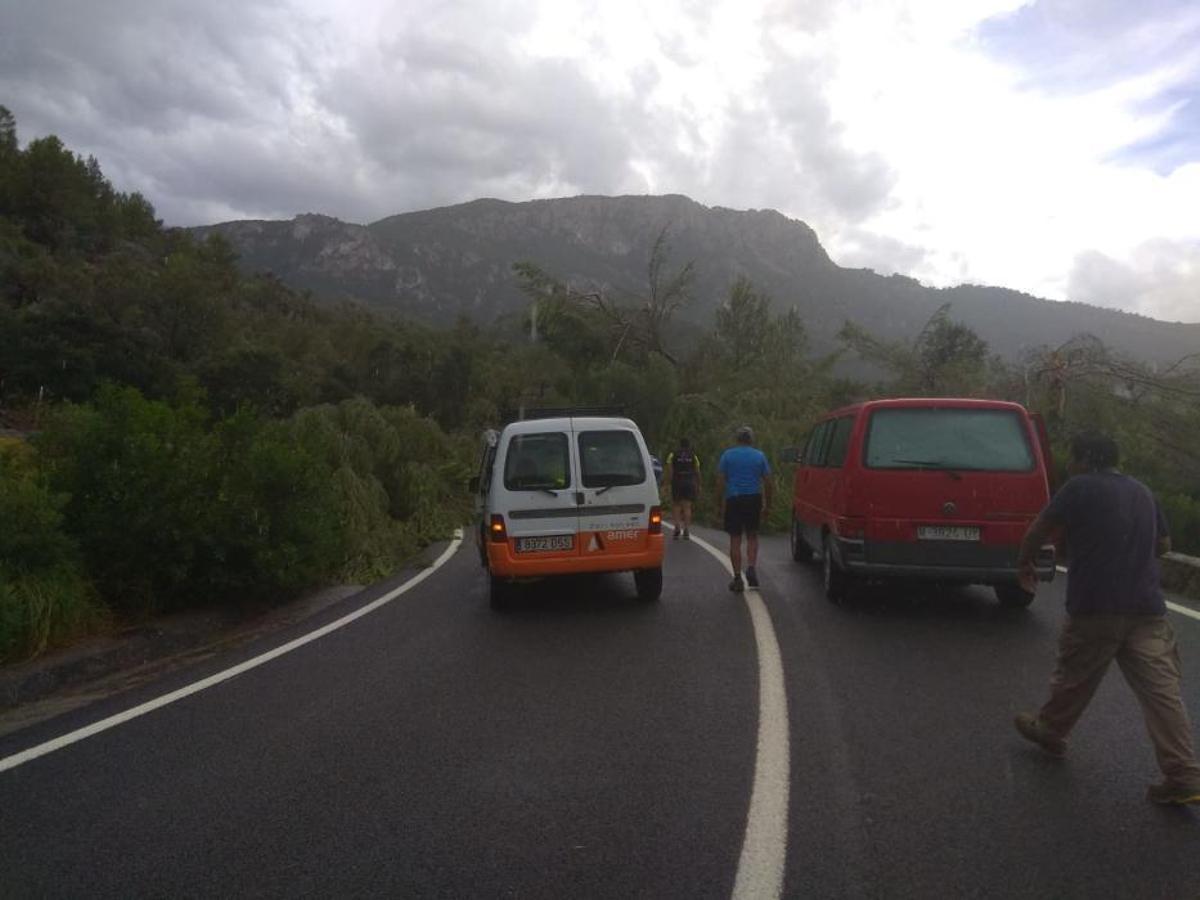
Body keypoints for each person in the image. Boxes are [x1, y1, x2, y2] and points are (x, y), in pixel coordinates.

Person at [1013, 431, 1200, 805]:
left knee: (1075, 675)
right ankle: (1184, 773)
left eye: (1073, 457)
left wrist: (1024, 560)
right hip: (1147, 609)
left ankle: (1051, 729)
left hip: (1096, 605)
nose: (1070, 464)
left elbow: (1040, 528)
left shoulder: (1078, 487)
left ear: (1084, 458)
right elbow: (1163, 545)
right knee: (1161, 692)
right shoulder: (1142, 491)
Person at [716, 425, 772, 592]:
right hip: (753, 498)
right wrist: (768, 504)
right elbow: (768, 482)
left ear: (737, 439)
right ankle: (752, 567)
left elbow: (719, 481)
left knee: (735, 539)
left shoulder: (727, 455)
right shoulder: (759, 456)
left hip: (734, 498)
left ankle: (737, 578)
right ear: (751, 439)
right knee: (752, 535)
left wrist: (718, 504)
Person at [663, 438, 700, 540]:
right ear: (689, 445)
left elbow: (670, 471)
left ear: (680, 445)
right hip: (689, 482)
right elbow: (697, 471)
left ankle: (677, 528)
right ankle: (686, 530)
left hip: (677, 482)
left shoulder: (672, 455)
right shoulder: (693, 456)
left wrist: (667, 484)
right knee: (687, 506)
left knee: (676, 505)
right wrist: (698, 485)